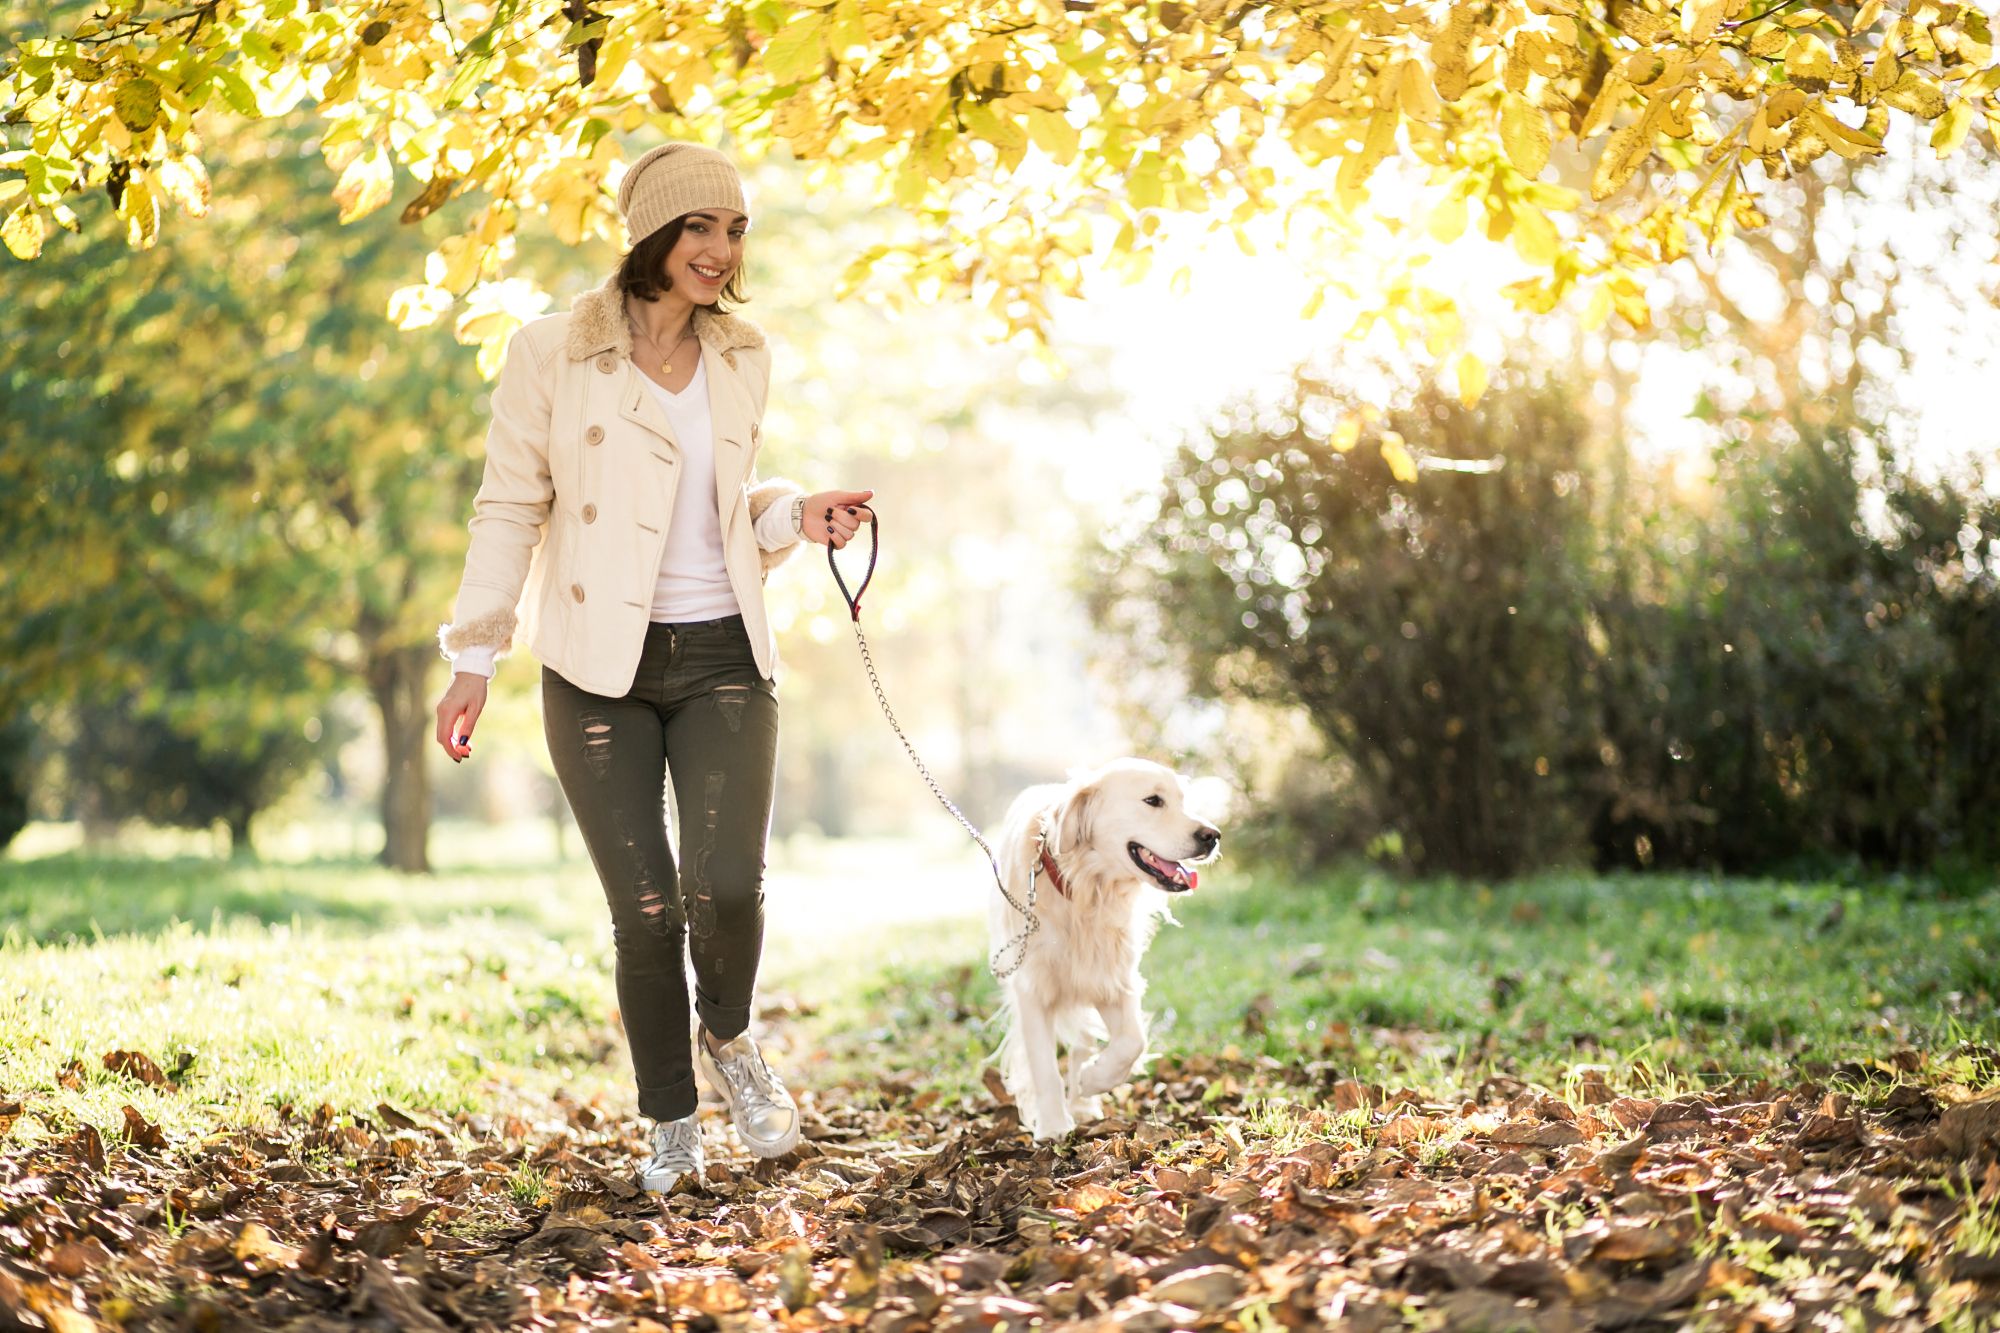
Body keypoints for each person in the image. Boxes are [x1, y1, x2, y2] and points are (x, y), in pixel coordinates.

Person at [430, 141, 872, 1194]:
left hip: (723, 645)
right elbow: (509, 506)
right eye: (698, 228)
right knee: (643, 912)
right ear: (650, 234)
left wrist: (792, 515)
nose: (719, 251)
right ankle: (670, 1119)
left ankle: (731, 1039)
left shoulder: (744, 351)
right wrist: (473, 655)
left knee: (725, 889)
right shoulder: (552, 350)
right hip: (595, 664)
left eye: (733, 230)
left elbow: (732, 504)